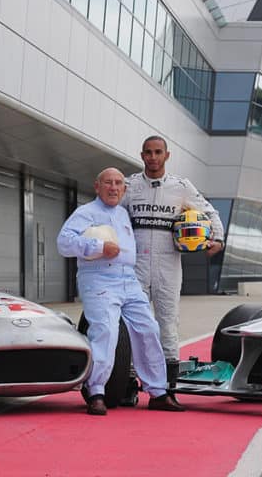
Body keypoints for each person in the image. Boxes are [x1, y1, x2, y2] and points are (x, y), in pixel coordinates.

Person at [57, 167, 184, 415]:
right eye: (108, 183)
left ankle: (157, 392)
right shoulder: (86, 213)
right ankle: (95, 391)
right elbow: (64, 242)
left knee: (149, 328)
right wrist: (98, 246)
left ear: (124, 189)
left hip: (128, 279)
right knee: (105, 330)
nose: (113, 188)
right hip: (99, 279)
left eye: (118, 183)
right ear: (97, 186)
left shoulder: (123, 214)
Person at [122, 136, 225, 368]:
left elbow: (210, 212)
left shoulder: (181, 186)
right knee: (132, 322)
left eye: (158, 152)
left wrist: (217, 239)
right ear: (142, 156)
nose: (153, 157)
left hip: (168, 264)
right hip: (135, 265)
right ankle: (127, 381)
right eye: (148, 152)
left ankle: (168, 386)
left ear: (167, 155)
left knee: (167, 323)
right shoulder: (129, 185)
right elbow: (110, 216)